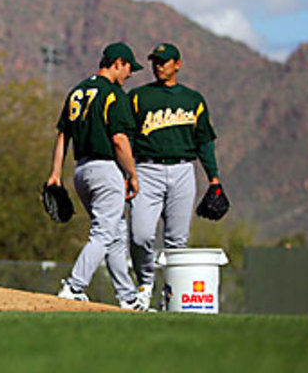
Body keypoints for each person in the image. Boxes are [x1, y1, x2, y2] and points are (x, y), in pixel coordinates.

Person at [128, 42, 222, 311]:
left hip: (183, 170)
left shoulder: (193, 100)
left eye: (164, 61)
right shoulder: (138, 97)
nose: (159, 66)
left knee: (176, 241)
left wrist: (213, 178)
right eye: (155, 61)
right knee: (140, 235)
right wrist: (128, 173)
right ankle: (145, 286)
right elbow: (127, 137)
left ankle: (170, 297)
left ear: (177, 64)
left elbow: (204, 142)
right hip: (146, 169)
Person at [47, 41, 142, 309]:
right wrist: (132, 175)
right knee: (103, 233)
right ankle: (74, 286)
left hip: (81, 172)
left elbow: (63, 134)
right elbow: (120, 140)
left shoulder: (77, 91)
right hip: (105, 170)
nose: (129, 74)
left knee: (114, 232)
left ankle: (128, 297)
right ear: (117, 63)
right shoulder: (113, 94)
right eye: (128, 68)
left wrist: (56, 173)